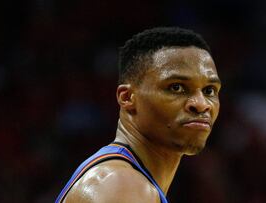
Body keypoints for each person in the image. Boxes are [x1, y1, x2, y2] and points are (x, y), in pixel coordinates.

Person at [56, 27, 221, 203]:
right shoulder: (121, 184)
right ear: (127, 98)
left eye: (209, 90)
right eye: (176, 87)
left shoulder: (127, 180)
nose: (201, 104)